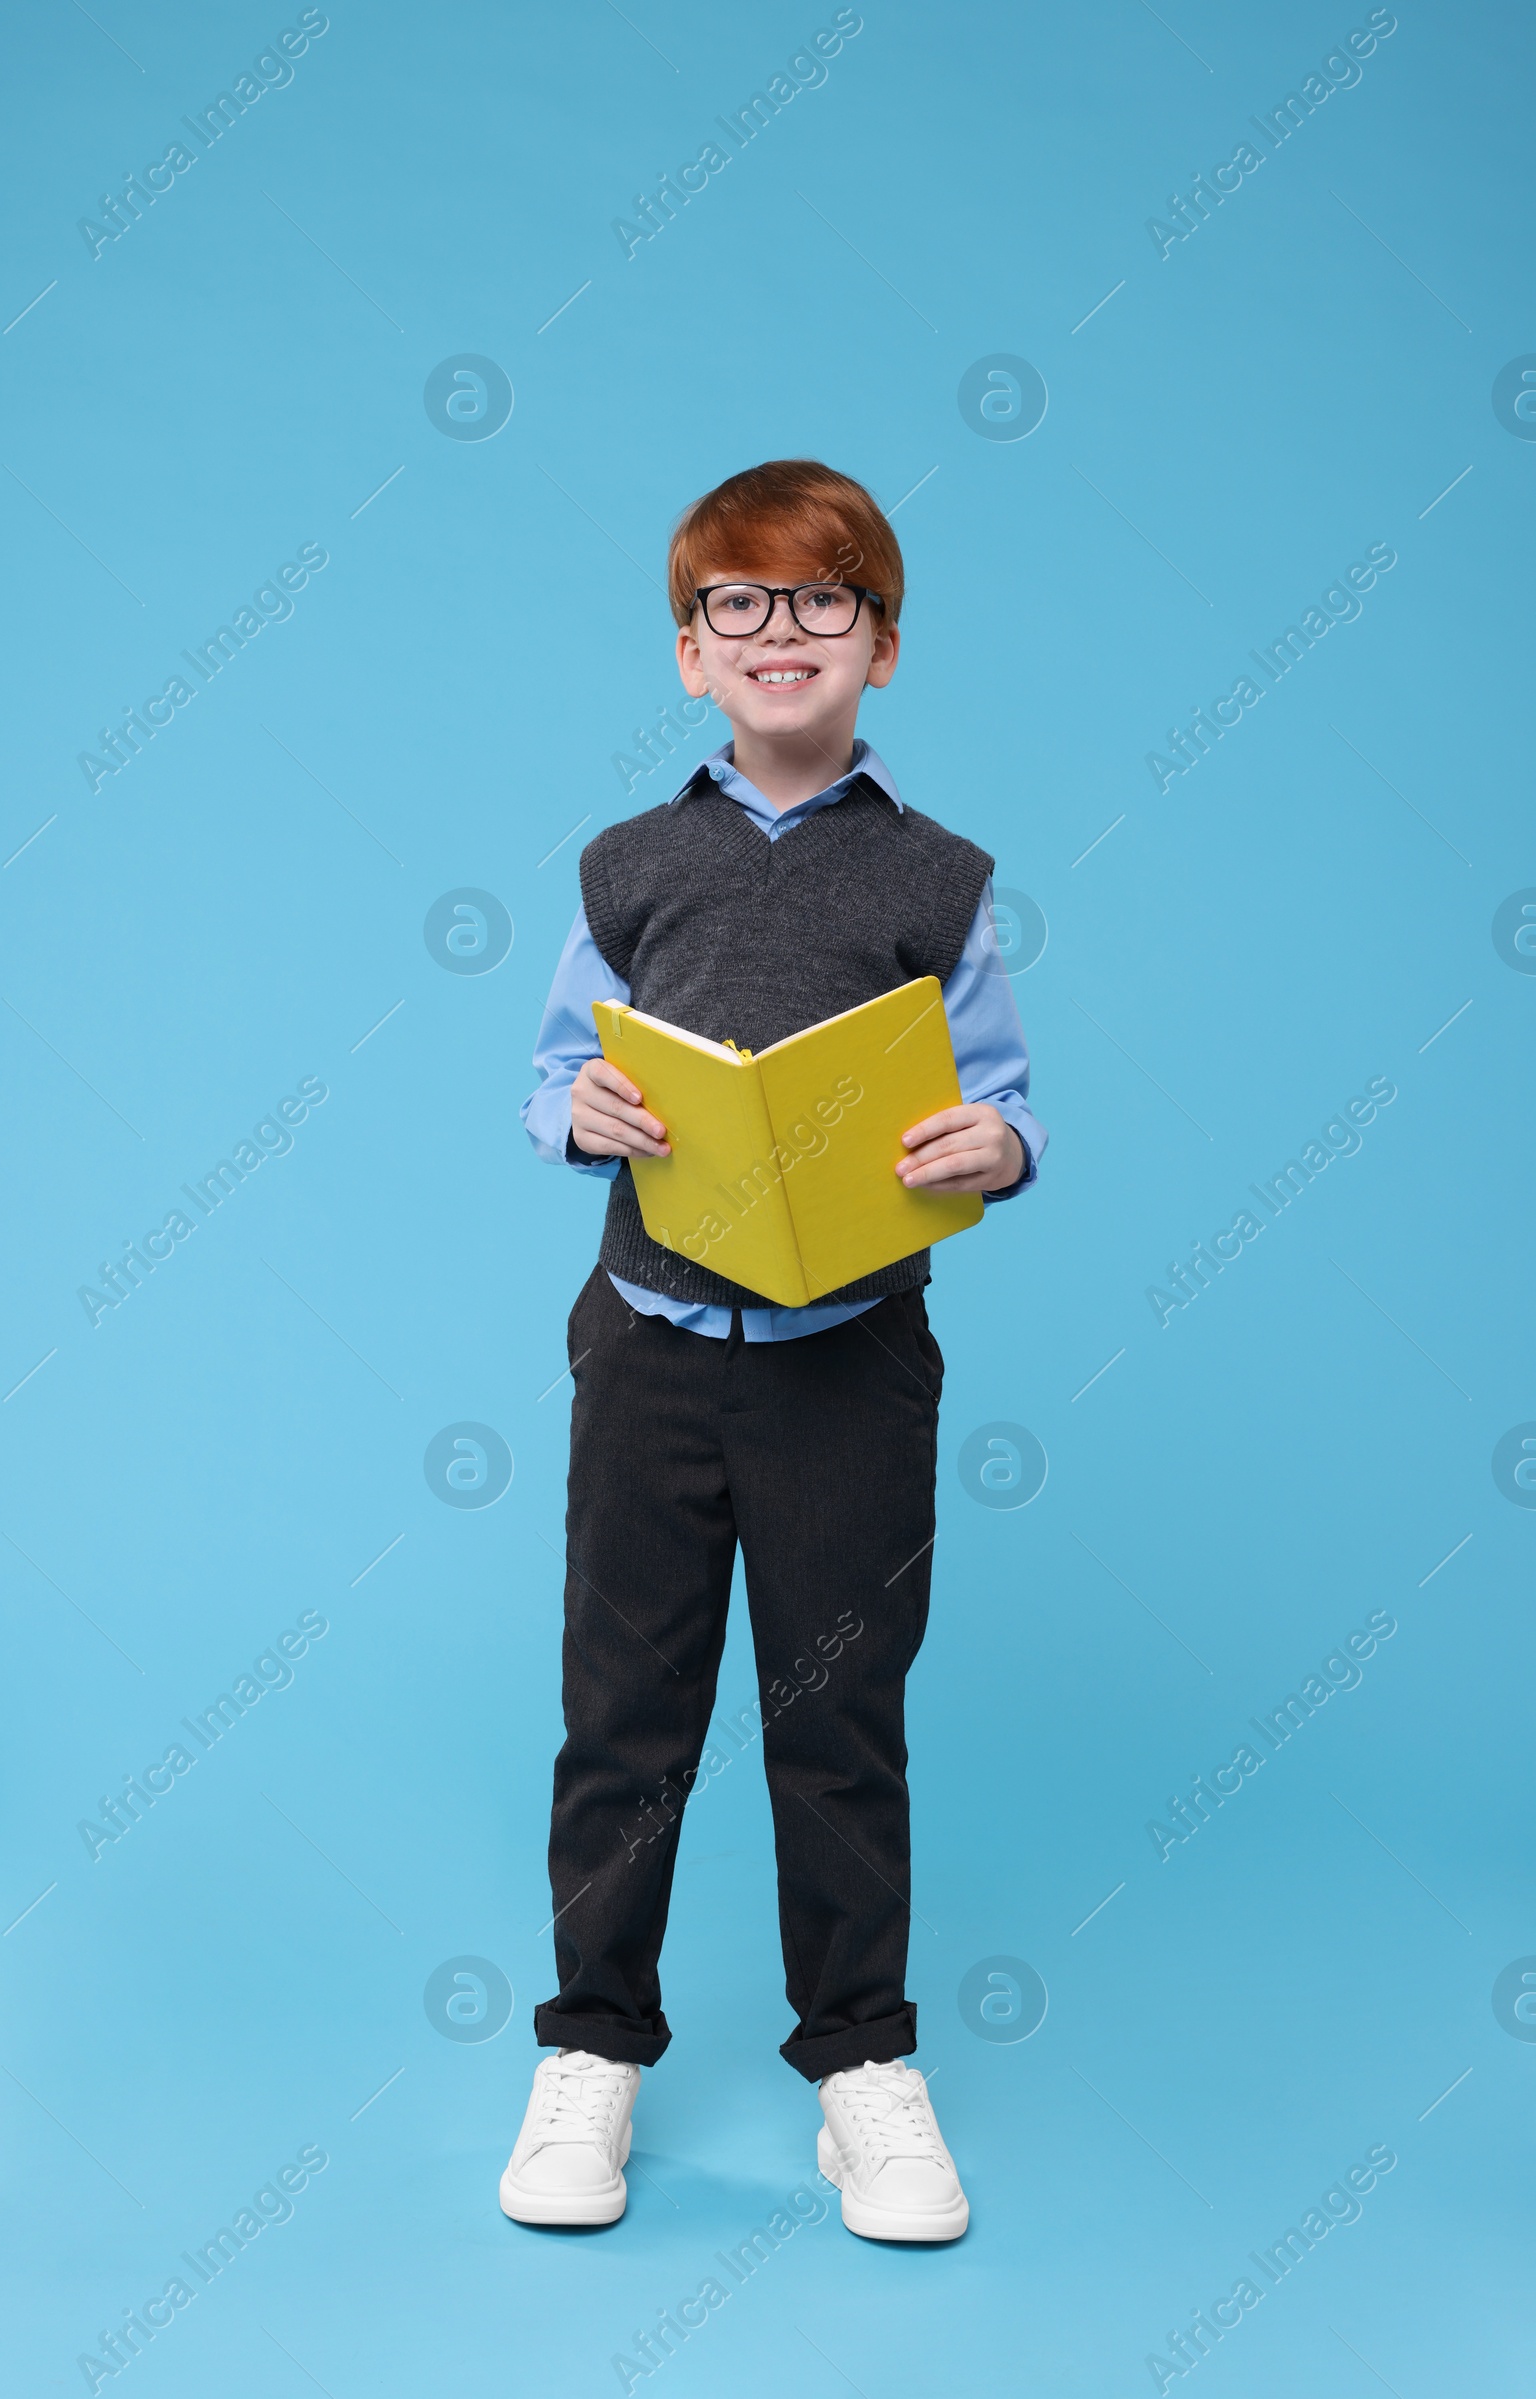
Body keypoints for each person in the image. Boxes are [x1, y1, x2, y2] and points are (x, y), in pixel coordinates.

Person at [504, 459, 1045, 2241]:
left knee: (839, 1719)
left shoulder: (940, 879)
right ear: (689, 654)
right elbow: (552, 1075)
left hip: (852, 1363)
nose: (780, 632)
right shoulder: (629, 862)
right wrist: (579, 1110)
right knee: (625, 1711)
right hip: (651, 1346)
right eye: (741, 603)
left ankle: (863, 2066)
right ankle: (593, 2050)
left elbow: (1004, 1099)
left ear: (881, 647)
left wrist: (1002, 1149)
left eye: (823, 603)